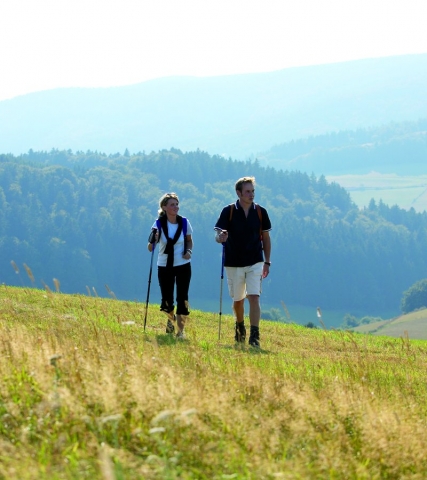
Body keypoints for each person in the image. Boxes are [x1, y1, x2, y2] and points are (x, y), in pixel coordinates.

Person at [214, 176, 272, 348]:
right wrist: (220, 237)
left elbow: (266, 239)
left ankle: (255, 335)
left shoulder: (261, 212)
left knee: (254, 297)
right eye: (247, 191)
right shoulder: (229, 211)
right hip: (233, 262)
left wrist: (267, 262)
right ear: (238, 193)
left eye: (252, 191)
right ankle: (240, 327)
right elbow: (218, 234)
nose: (251, 194)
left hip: (255, 261)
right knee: (238, 300)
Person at [148, 192, 193, 338]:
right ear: (164, 207)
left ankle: (180, 331)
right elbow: (150, 248)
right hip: (164, 265)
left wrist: (188, 251)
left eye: (177, 204)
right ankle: (170, 321)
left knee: (182, 297)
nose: (176, 207)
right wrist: (153, 239)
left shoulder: (184, 222)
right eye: (172, 205)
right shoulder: (159, 224)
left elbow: (189, 240)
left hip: (183, 264)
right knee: (167, 298)